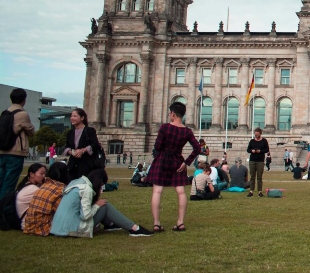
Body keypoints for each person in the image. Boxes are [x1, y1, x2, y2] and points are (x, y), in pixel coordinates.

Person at [147, 102, 201, 233]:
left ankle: (156, 224)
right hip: (178, 161)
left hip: (162, 160)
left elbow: (158, 146)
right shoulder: (187, 131)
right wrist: (187, 162)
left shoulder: (164, 128)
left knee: (157, 191)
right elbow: (197, 148)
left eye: (170, 113)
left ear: (173, 114)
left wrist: (160, 154)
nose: (169, 115)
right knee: (181, 192)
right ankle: (180, 222)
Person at [51, 169, 153, 237]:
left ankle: (109, 224)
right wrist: (96, 205)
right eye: (101, 186)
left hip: (58, 227)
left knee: (100, 204)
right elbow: (85, 216)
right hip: (71, 230)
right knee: (105, 205)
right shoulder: (86, 189)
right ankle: (134, 228)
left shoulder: (77, 183)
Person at [0, 88, 36, 199]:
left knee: (1, 181)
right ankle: (3, 210)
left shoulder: (5, 112)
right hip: (15, 152)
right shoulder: (22, 114)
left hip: (2, 151)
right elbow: (31, 131)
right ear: (24, 100)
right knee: (9, 184)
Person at [23, 162, 70, 236]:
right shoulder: (59, 189)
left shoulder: (44, 185)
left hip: (29, 226)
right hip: (43, 228)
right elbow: (62, 212)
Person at [63, 109, 102, 181]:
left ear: (82, 118)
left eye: (75, 116)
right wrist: (72, 152)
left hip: (86, 163)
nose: (72, 118)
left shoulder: (90, 130)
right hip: (73, 164)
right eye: (71, 116)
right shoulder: (70, 132)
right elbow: (67, 147)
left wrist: (82, 151)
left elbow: (94, 144)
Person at [15, 163, 47, 232]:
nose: (44, 176)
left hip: (24, 222)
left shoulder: (25, 185)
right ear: (32, 174)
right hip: (29, 225)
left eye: (44, 174)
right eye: (41, 174)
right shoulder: (33, 189)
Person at [246, 127, 270, 198]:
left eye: (257, 135)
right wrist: (252, 151)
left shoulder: (264, 141)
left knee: (259, 177)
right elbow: (248, 149)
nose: (256, 136)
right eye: (255, 134)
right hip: (252, 160)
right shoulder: (252, 141)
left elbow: (267, 149)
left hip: (260, 161)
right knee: (252, 176)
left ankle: (260, 191)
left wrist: (260, 151)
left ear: (260, 134)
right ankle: (251, 191)